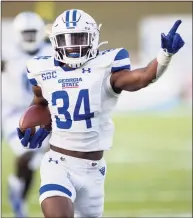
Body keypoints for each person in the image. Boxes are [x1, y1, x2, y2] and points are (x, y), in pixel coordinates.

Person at [17, 9, 184, 218]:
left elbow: (142, 78)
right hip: (58, 163)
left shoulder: (105, 67)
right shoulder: (42, 69)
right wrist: (35, 125)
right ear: (55, 41)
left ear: (94, 37)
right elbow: (40, 103)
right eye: (66, 39)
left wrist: (165, 55)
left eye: (79, 38)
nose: (73, 46)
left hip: (94, 170)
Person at [2, 11, 52, 218]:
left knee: (33, 158)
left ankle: (18, 193)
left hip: (40, 110)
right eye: (26, 33)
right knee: (27, 150)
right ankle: (17, 190)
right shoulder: (7, 52)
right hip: (13, 110)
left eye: (33, 33)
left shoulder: (51, 52)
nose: (30, 38)